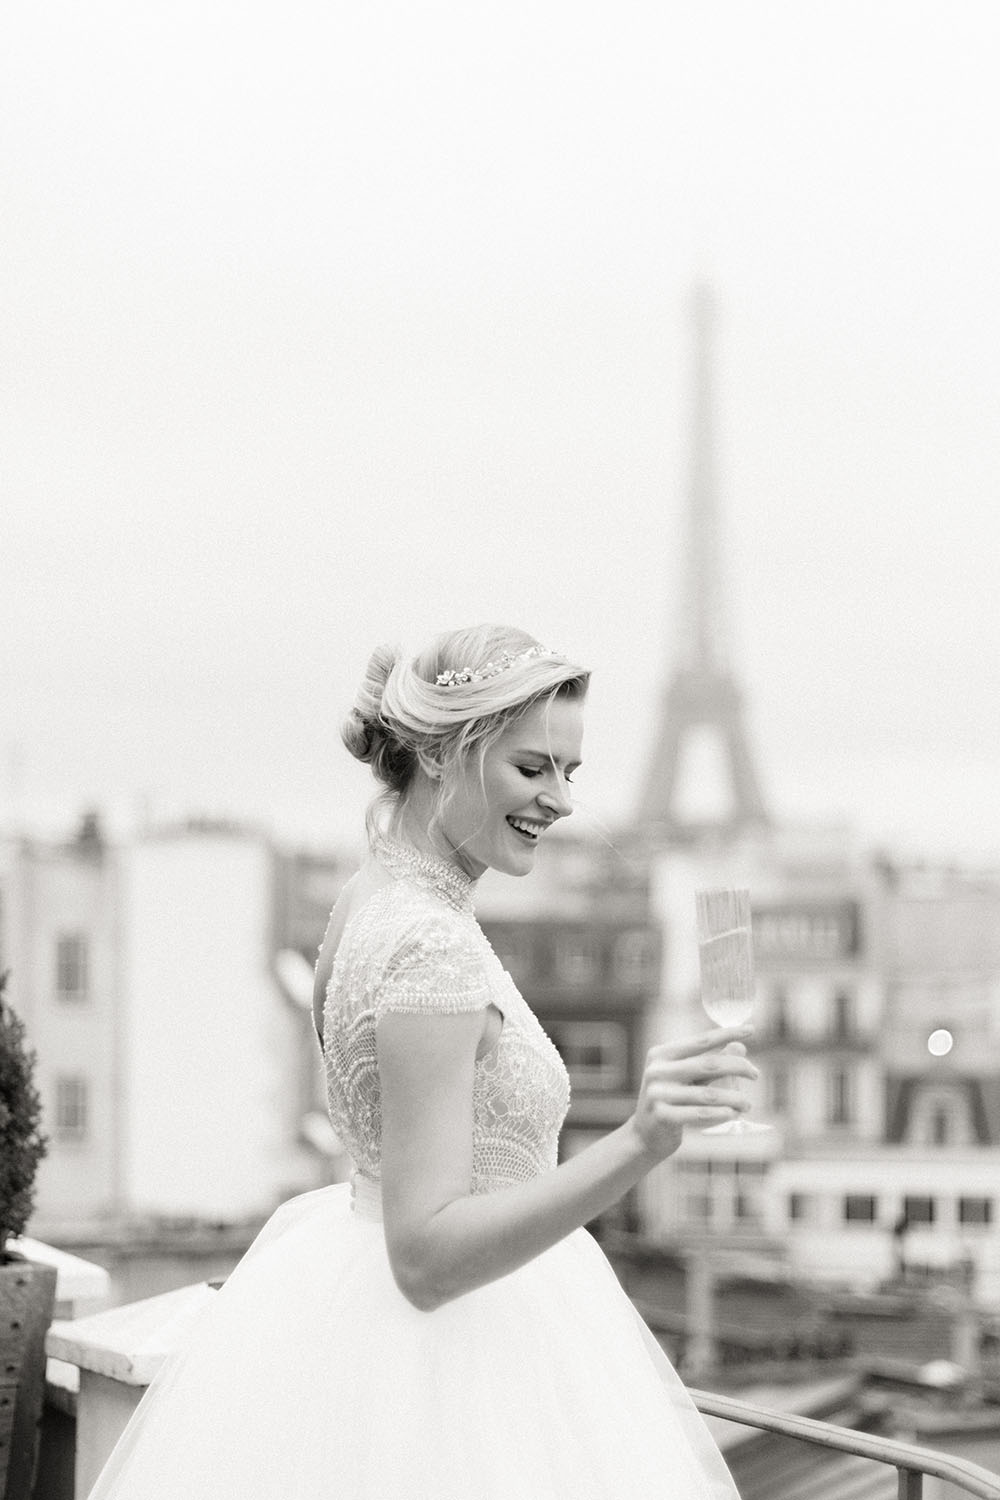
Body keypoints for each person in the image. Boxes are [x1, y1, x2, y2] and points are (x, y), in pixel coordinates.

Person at [87, 623, 755, 1499]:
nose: (560, 799)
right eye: (533, 767)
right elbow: (427, 1258)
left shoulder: (371, 897)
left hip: (369, 1338)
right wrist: (639, 1139)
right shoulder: (430, 947)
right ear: (445, 754)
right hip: (463, 1358)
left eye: (570, 770)